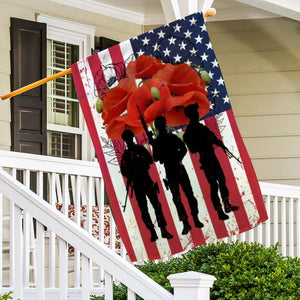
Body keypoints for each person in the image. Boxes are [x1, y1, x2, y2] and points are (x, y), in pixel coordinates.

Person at [183, 103, 239, 220]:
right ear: (192, 115)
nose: (197, 114)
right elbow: (192, 148)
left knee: (222, 180)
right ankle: (219, 211)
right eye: (195, 113)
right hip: (206, 159)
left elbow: (214, 138)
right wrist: (203, 142)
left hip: (212, 157)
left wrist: (218, 143)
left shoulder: (202, 128)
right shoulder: (189, 132)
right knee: (214, 185)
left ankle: (227, 205)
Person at [151, 116, 204, 235]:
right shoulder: (158, 141)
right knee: (177, 199)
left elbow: (184, 149)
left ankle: (195, 218)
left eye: (160, 124)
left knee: (189, 194)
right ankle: (186, 223)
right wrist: (154, 145)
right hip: (169, 171)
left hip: (179, 169)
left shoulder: (172, 137)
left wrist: (178, 159)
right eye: (158, 125)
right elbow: (156, 158)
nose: (160, 127)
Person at [120, 129, 173, 242]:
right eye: (126, 139)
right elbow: (124, 171)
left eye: (129, 137)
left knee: (157, 206)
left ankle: (163, 229)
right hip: (137, 184)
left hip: (146, 181)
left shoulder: (140, 149)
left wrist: (140, 162)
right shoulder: (126, 155)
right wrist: (131, 173)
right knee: (144, 210)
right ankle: (152, 232)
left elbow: (150, 160)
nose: (128, 140)